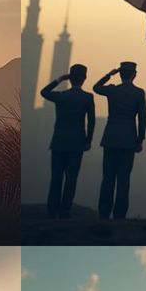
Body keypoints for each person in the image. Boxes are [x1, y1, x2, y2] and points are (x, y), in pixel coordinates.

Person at [94, 62, 146, 220]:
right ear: (134, 75)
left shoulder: (112, 90)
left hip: (110, 138)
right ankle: (119, 214)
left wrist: (109, 74)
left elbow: (96, 87)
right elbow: (142, 118)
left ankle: (103, 212)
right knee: (124, 180)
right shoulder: (138, 93)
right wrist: (140, 139)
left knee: (108, 178)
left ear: (120, 74)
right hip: (128, 140)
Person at [41, 66, 95, 217]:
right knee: (71, 179)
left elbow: (44, 92)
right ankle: (65, 210)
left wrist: (59, 79)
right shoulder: (87, 98)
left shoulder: (61, 96)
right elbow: (91, 122)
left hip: (59, 142)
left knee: (56, 178)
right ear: (84, 79)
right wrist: (88, 140)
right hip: (77, 143)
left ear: (70, 79)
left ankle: (52, 210)